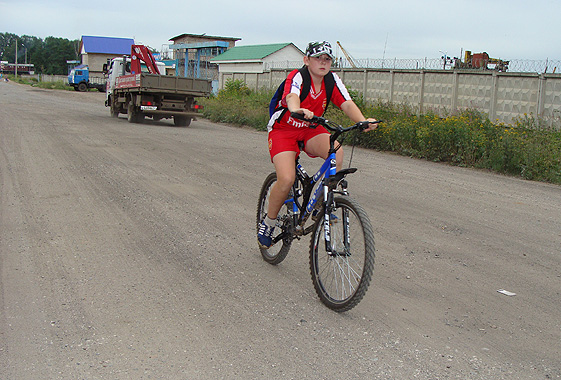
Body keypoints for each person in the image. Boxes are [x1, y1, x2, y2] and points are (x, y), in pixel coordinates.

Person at [258, 41, 378, 248]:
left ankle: (321, 205)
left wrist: (362, 120)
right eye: (318, 58)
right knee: (286, 179)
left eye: (327, 59)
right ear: (307, 60)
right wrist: (297, 109)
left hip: (310, 129)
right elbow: (292, 96)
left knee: (337, 153)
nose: (323, 62)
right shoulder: (298, 76)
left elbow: (346, 103)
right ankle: (268, 222)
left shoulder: (332, 80)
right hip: (284, 129)